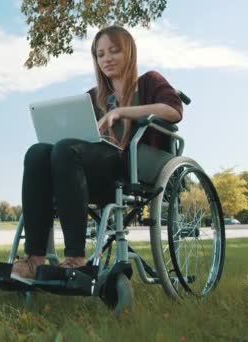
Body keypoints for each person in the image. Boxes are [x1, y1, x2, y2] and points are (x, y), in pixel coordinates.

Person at [11, 25, 183, 282]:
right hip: (84, 169)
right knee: (37, 152)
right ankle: (35, 259)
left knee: (66, 151)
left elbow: (172, 111)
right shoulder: (93, 97)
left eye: (114, 51)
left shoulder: (149, 81)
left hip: (129, 163)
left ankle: (76, 258)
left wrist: (122, 112)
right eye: (100, 54)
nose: (107, 59)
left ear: (129, 52)